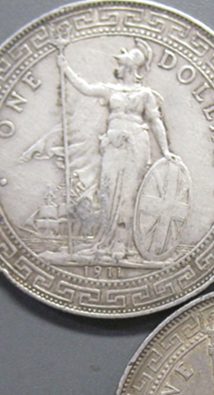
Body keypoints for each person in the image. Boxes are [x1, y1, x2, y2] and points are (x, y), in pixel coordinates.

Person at [57, 41, 174, 259]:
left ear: (130, 68)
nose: (117, 68)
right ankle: (105, 242)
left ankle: (122, 244)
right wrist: (65, 68)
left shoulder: (145, 94)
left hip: (136, 143)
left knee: (128, 194)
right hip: (112, 145)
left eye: (121, 64)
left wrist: (165, 150)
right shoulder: (110, 90)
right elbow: (85, 87)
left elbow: (156, 121)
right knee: (108, 192)